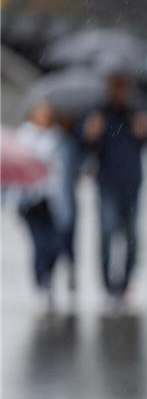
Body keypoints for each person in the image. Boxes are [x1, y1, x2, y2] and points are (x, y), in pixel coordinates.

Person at [84, 73, 147, 308]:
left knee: (131, 237)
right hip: (107, 182)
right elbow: (87, 145)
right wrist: (91, 133)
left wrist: (144, 130)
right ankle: (108, 286)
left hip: (132, 182)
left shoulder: (137, 111)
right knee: (106, 232)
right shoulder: (98, 111)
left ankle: (125, 284)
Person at [16, 100, 69, 309]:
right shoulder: (24, 136)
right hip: (30, 200)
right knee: (39, 245)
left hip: (52, 199)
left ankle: (48, 280)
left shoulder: (57, 137)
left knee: (55, 245)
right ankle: (40, 284)